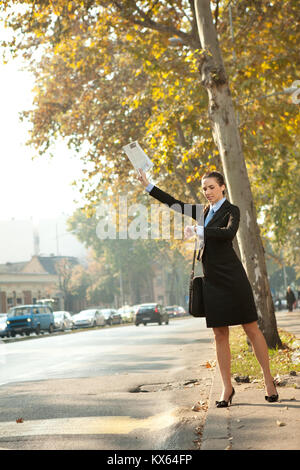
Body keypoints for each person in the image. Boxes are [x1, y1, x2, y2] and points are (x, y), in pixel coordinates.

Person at [137, 168, 278, 406]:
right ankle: (226, 388)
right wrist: (149, 185)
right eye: (204, 188)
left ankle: (268, 380)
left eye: (211, 187)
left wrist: (200, 230)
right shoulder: (202, 212)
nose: (207, 192)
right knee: (219, 334)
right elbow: (175, 204)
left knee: (251, 328)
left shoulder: (231, 210)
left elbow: (228, 233)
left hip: (233, 278)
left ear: (222, 187)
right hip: (212, 280)